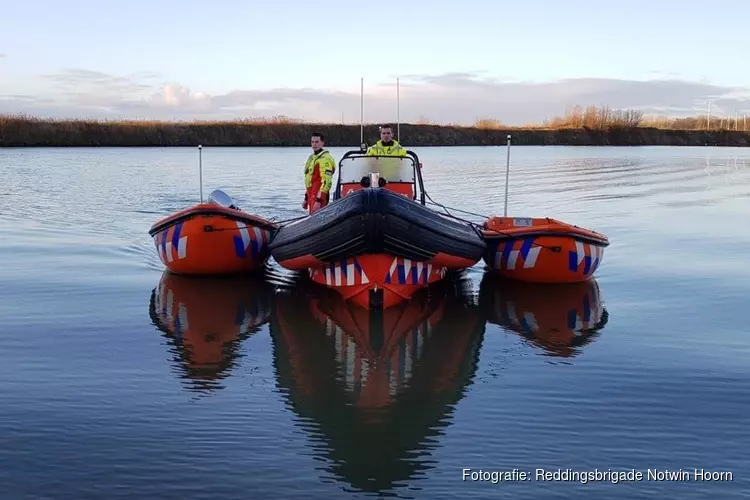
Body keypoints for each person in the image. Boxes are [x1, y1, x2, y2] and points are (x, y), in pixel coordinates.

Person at [302, 132, 336, 214]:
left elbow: (327, 181)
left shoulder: (325, 159)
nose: (314, 144)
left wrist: (319, 200)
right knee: (311, 215)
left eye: (317, 142)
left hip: (319, 194)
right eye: (312, 142)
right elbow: (309, 180)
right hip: (311, 193)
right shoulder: (312, 158)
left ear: (322, 143)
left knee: (317, 215)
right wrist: (306, 198)